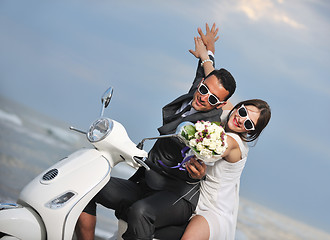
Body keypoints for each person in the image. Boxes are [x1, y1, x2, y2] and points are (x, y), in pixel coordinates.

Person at [75, 23, 237, 240]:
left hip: (176, 195)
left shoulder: (210, 129)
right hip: (148, 182)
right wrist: (208, 53)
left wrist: (199, 171)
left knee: (140, 212)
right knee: (87, 187)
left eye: (213, 99)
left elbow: (207, 154)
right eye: (204, 89)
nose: (204, 96)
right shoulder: (197, 93)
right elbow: (204, 73)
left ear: (220, 105)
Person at [181, 38, 271, 240]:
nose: (241, 120)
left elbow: (214, 148)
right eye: (243, 111)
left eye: (249, 124)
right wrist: (207, 54)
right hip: (193, 194)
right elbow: (213, 83)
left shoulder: (233, 143)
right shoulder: (228, 113)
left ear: (250, 132)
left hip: (213, 209)